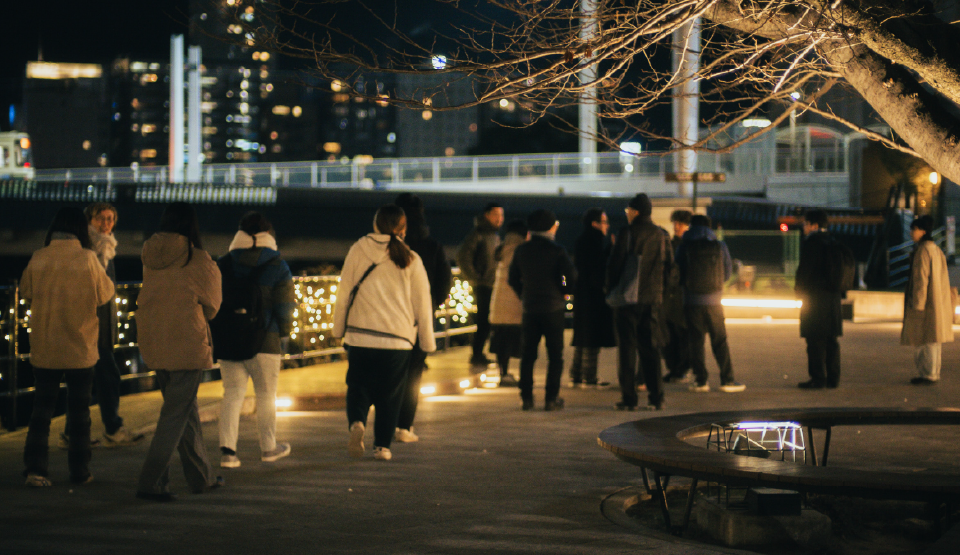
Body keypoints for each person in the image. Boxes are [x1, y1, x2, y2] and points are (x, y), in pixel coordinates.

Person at [333, 204, 436, 461]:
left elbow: (344, 293)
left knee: (358, 386)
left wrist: (338, 329)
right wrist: (427, 342)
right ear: (403, 229)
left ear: (375, 225)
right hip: (397, 340)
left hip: (360, 335)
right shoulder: (411, 258)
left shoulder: (358, 249)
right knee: (390, 395)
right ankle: (382, 447)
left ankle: (357, 422)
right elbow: (423, 304)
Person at [21, 207, 115, 487]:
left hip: (46, 345)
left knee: (41, 412)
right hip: (80, 346)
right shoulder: (87, 259)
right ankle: (79, 471)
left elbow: (26, 291)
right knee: (79, 414)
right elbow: (105, 293)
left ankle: (35, 469)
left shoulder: (39, 256)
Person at [135, 202, 223, 501]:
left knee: (184, 410)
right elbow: (213, 305)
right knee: (175, 415)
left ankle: (201, 477)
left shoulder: (149, 255)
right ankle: (151, 481)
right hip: (186, 341)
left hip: (154, 338)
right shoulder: (196, 259)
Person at [59, 203, 143, 450]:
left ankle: (75, 432)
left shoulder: (106, 247)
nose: (106, 224)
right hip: (88, 323)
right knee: (104, 376)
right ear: (89, 221)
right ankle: (110, 428)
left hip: (100, 324)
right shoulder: (87, 249)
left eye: (110, 219)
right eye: (101, 219)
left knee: (86, 378)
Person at [215, 212, 296, 468]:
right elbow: (285, 307)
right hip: (265, 339)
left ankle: (228, 453)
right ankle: (269, 448)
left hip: (230, 338)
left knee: (232, 394)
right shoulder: (277, 264)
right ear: (267, 234)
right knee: (266, 395)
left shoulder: (224, 263)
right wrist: (284, 333)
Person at [393, 193, 452, 442]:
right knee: (414, 373)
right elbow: (445, 282)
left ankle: (384, 423)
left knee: (391, 371)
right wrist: (431, 305)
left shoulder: (388, 248)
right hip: (420, 318)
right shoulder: (432, 246)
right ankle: (404, 426)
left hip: (390, 317)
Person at [508, 209, 576, 411]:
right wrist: (564, 291)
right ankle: (551, 399)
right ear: (551, 227)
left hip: (530, 308)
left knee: (528, 355)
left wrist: (523, 294)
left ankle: (526, 398)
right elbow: (570, 277)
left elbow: (512, 278)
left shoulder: (522, 250)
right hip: (553, 308)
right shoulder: (557, 250)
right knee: (555, 356)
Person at [607, 193, 670, 411]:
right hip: (652, 299)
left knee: (627, 349)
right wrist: (661, 292)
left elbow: (615, 264)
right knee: (651, 349)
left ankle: (629, 399)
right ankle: (656, 398)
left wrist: (611, 289)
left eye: (628, 211)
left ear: (635, 212)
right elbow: (670, 267)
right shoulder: (661, 234)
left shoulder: (627, 233)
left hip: (628, 299)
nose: (627, 214)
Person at [676, 215, 745, 393]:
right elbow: (727, 273)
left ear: (691, 226)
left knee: (696, 342)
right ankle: (727, 380)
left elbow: (678, 272)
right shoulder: (720, 245)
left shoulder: (684, 245)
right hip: (714, 302)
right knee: (720, 341)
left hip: (691, 301)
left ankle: (701, 381)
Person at [901, 215, 955, 385]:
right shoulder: (936, 250)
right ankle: (933, 373)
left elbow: (921, 280)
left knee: (923, 339)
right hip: (937, 302)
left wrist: (918, 304)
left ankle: (927, 374)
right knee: (934, 340)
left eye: (914, 229)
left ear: (923, 231)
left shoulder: (922, 251)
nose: (911, 232)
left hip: (926, 304)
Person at [795, 209, 843, 389]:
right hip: (832, 299)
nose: (804, 227)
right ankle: (833, 378)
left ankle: (818, 378)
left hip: (815, 298)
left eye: (806, 224)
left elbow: (805, 271)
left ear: (814, 225)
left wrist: (799, 291)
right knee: (831, 340)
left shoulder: (812, 243)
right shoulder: (833, 241)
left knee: (814, 340)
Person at [568, 208, 615, 388]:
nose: (607, 225)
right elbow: (598, 268)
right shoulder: (594, 241)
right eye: (604, 222)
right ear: (595, 224)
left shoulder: (582, 240)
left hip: (582, 295)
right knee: (592, 336)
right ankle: (589, 375)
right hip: (593, 296)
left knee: (582, 335)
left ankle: (576, 374)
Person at [457, 202, 504, 367]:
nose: (500, 219)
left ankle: (479, 353)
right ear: (487, 215)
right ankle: (477, 354)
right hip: (483, 285)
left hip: (492, 284)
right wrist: (475, 277)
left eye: (501, 215)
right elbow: (463, 256)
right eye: (496, 215)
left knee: (487, 321)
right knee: (484, 321)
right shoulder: (478, 234)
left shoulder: (494, 235)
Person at [489, 219, 528, 387]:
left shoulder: (501, 248)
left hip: (498, 303)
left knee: (501, 341)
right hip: (514, 303)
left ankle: (503, 373)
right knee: (514, 340)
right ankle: (511, 375)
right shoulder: (521, 250)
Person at [662, 209, 692, 383]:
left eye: (681, 223)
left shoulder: (687, 246)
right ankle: (674, 368)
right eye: (675, 223)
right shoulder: (671, 245)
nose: (677, 226)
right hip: (670, 296)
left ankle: (681, 368)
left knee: (682, 334)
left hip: (681, 296)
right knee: (669, 334)